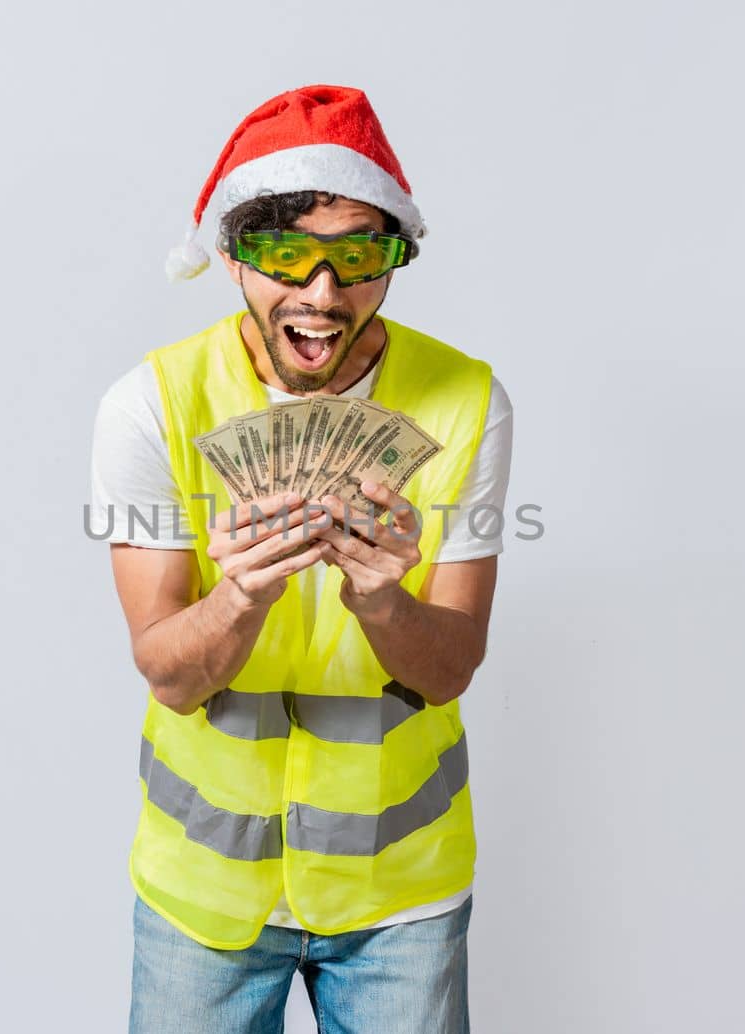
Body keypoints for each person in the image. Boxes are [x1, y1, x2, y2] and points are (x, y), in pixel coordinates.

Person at [89, 84, 513, 1034]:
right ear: (236, 256)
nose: (323, 296)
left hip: (401, 895)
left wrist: (385, 602)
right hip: (202, 897)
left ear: (395, 257)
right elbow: (167, 673)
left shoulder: (467, 402)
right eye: (289, 255)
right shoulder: (150, 406)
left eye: (357, 254)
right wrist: (240, 595)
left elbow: (450, 671)